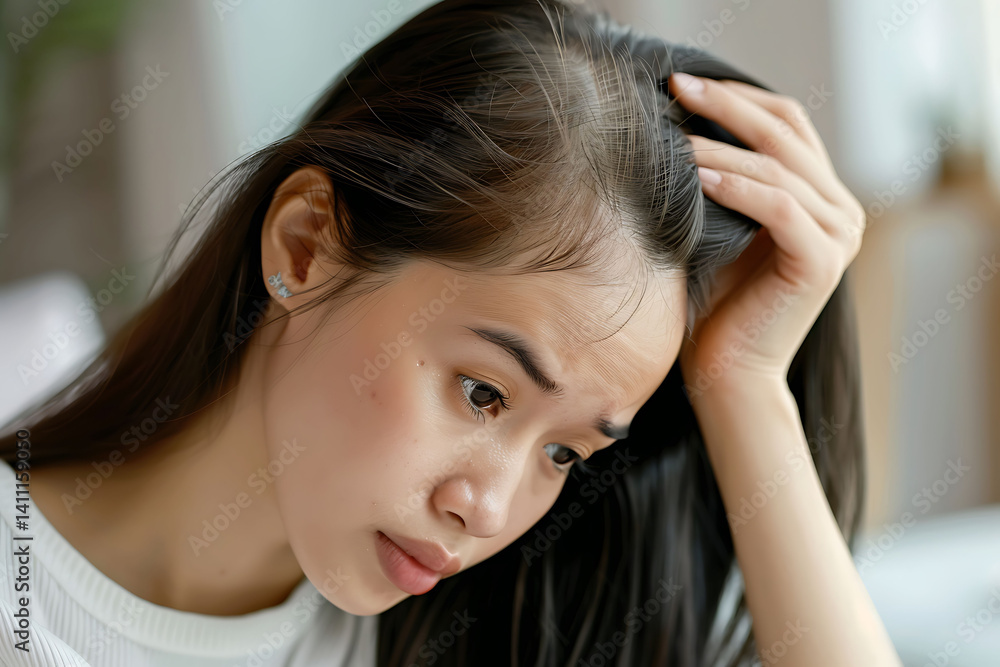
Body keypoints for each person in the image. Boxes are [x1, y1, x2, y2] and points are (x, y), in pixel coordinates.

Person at [0, 0, 900, 664]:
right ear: (306, 246)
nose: (491, 508)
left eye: (564, 455)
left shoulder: (464, 634)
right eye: (483, 393)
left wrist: (742, 381)